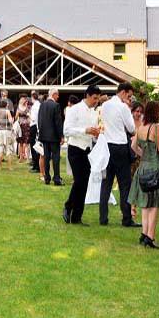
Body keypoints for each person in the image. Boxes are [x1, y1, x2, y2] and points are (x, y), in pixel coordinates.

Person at [129, 101, 159, 249]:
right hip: (156, 169)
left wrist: (144, 156)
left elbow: (133, 146)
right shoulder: (157, 128)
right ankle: (150, 237)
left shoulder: (141, 127)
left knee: (145, 204)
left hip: (143, 167)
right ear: (156, 112)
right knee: (154, 204)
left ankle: (144, 234)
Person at [99, 82, 138, 227]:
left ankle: (103, 218)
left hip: (107, 146)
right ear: (124, 92)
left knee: (106, 183)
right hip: (120, 146)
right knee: (124, 185)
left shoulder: (105, 105)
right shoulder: (123, 107)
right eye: (129, 94)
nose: (130, 97)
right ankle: (126, 218)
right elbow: (132, 128)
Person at [63, 85, 101, 225]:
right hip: (75, 148)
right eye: (94, 98)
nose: (96, 101)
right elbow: (66, 130)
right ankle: (68, 206)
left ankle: (77, 217)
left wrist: (96, 134)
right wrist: (85, 130)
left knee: (84, 184)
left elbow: (92, 133)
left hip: (87, 150)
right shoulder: (74, 110)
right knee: (79, 181)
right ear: (87, 95)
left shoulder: (94, 112)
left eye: (98, 98)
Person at [37, 87, 63, 186]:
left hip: (44, 136)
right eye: (58, 94)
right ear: (54, 94)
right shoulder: (56, 105)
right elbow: (58, 122)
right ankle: (56, 178)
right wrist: (61, 135)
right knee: (56, 158)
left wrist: (41, 132)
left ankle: (47, 178)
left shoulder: (42, 105)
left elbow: (39, 120)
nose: (58, 96)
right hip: (54, 137)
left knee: (46, 157)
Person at [0, 99, 16, 167]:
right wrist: (12, 122)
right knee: (8, 148)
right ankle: (9, 166)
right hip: (6, 131)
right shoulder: (7, 111)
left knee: (0, 148)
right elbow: (11, 121)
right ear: (5, 105)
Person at [29, 91, 41, 172]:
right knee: (36, 146)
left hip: (34, 126)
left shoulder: (34, 106)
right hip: (38, 127)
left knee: (33, 146)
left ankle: (36, 166)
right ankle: (36, 165)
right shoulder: (39, 104)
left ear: (32, 97)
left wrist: (28, 114)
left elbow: (33, 118)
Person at [16, 97, 31, 163]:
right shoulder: (21, 108)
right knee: (22, 142)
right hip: (21, 126)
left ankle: (25, 158)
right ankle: (22, 158)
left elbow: (30, 116)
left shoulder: (27, 108)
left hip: (25, 126)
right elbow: (16, 117)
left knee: (25, 142)